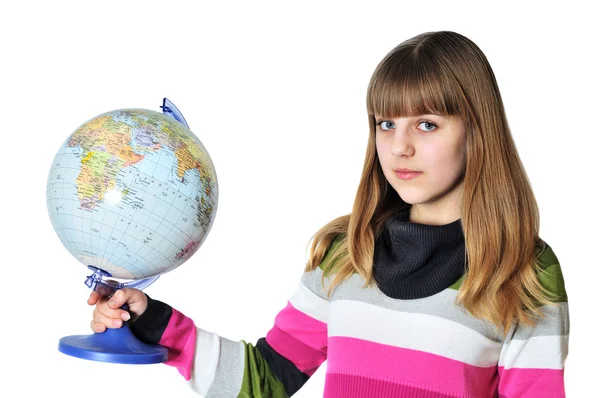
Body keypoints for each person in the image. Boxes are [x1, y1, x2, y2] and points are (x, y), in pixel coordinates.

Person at [88, 31, 569, 397]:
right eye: (386, 123)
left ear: (476, 130)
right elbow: (265, 380)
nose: (400, 146)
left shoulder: (523, 272)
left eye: (427, 124)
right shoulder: (346, 254)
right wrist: (153, 322)